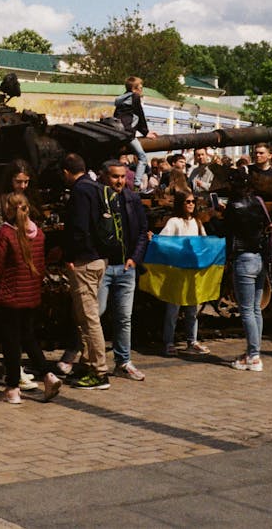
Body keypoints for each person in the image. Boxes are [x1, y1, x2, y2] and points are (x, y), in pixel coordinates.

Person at [0, 192, 61, 405]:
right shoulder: (39, 233)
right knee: (27, 337)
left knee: (11, 342)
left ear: (8, 209)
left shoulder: (6, 233)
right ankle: (47, 374)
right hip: (31, 294)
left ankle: (13, 388)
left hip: (10, 295)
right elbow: (41, 266)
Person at [95, 159, 149, 381]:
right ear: (105, 177)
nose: (119, 181)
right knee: (94, 314)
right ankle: (83, 358)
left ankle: (123, 361)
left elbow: (143, 230)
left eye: (122, 177)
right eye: (114, 177)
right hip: (104, 266)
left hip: (126, 267)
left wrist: (135, 259)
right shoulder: (98, 199)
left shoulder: (132, 198)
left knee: (124, 317)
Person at [60, 153, 110, 389]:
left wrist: (69, 256)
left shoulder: (79, 192)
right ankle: (87, 363)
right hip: (99, 259)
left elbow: (79, 228)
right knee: (85, 316)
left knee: (89, 318)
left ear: (66, 172)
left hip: (84, 261)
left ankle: (99, 371)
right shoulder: (97, 187)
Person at [224, 168, 270, 371]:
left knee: (246, 311)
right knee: (255, 309)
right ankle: (255, 351)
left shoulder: (233, 206)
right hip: (260, 258)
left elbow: (224, 231)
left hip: (243, 259)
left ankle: (253, 356)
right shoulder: (257, 202)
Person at [159, 191, 210, 356]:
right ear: (181, 203)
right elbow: (163, 241)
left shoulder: (197, 222)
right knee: (173, 309)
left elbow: (204, 242)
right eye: (187, 201)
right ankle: (168, 341)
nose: (191, 204)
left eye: (193, 201)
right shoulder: (174, 222)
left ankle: (192, 340)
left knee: (192, 309)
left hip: (192, 271)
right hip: (177, 271)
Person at [113, 76, 157, 189]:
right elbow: (139, 114)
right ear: (134, 89)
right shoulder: (135, 97)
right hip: (128, 133)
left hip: (118, 131)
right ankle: (136, 184)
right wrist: (145, 132)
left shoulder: (122, 99)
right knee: (142, 157)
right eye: (140, 87)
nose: (141, 89)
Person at [0, 159, 42, 239]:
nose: (23, 186)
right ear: (10, 180)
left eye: (26, 182)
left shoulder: (30, 196)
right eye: (18, 182)